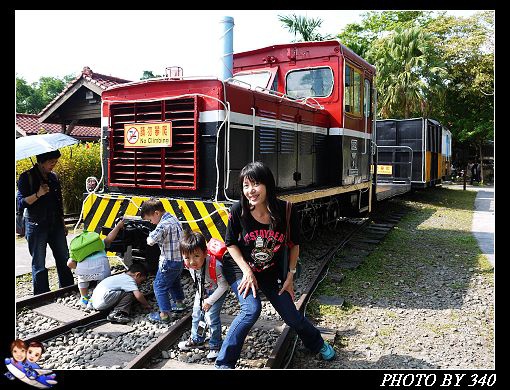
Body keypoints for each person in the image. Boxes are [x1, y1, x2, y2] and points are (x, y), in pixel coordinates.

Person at [214, 161, 335, 369]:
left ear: (268, 184)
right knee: (251, 310)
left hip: (270, 272)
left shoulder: (286, 211)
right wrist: (247, 271)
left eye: (256, 184)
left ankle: (317, 343)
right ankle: (224, 363)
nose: (250, 191)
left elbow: (294, 244)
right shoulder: (238, 210)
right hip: (240, 270)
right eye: (245, 185)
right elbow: (230, 243)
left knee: (292, 316)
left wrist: (290, 275)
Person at [17, 150, 74, 295]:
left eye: (55, 162)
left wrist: (62, 223)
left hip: (55, 224)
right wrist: (38, 194)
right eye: (51, 162)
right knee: (39, 262)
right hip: (36, 225)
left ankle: (67, 288)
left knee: (63, 257)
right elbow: (21, 203)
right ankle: (42, 294)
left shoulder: (53, 177)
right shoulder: (26, 177)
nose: (53, 165)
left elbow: (59, 203)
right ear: (41, 161)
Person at [177, 231, 229, 360]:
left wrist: (209, 301)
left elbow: (224, 286)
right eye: (187, 257)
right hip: (202, 290)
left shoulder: (215, 265)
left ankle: (215, 345)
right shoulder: (188, 265)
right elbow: (197, 280)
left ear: (205, 253)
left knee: (211, 317)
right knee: (196, 314)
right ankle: (196, 339)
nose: (192, 262)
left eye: (196, 256)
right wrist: (201, 298)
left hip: (217, 291)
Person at [140, 198, 186, 323]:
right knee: (174, 281)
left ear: (156, 213)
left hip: (168, 261)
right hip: (179, 260)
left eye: (150, 220)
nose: (152, 223)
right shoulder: (173, 218)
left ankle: (164, 315)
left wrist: (150, 235)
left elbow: (151, 241)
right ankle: (179, 304)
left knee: (159, 286)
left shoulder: (163, 225)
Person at [67, 218, 126, 307]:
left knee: (81, 279)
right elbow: (109, 238)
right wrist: (118, 226)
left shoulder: (78, 251)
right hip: (101, 268)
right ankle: (95, 298)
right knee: (103, 283)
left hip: (84, 272)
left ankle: (84, 298)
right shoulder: (100, 244)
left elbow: (69, 264)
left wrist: (79, 266)